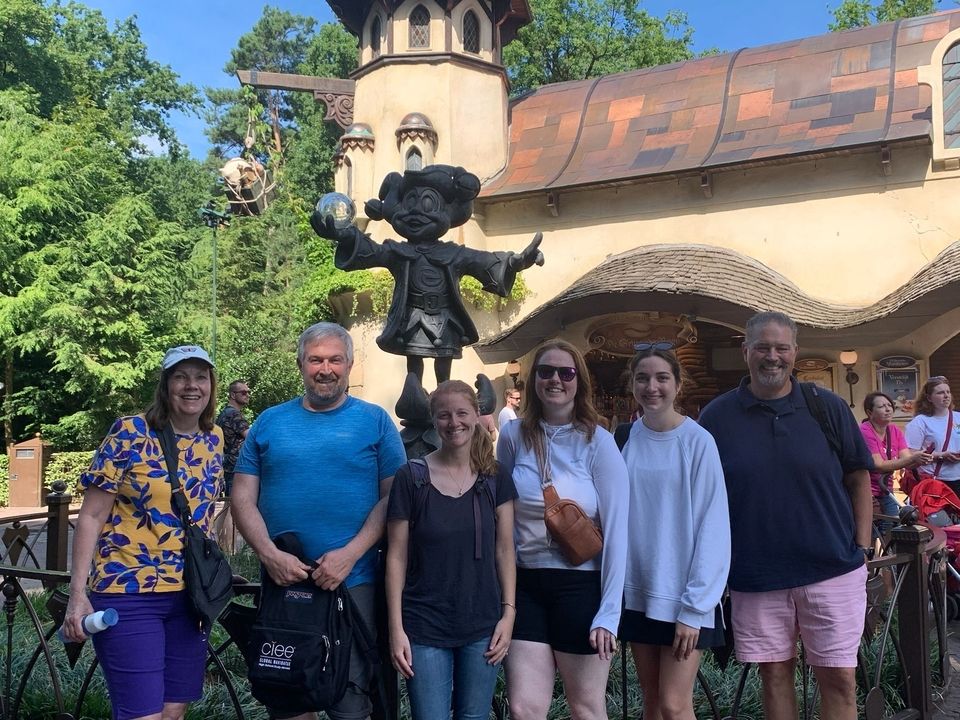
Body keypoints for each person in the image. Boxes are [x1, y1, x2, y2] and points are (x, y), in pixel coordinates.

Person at [698, 311, 872, 720]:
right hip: (756, 575)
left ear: (794, 352)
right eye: (762, 347)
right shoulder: (717, 417)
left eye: (780, 348)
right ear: (746, 352)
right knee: (774, 677)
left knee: (841, 680)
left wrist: (862, 548)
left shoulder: (826, 407)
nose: (771, 356)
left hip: (832, 568)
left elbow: (858, 477)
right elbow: (702, 494)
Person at [232, 322, 406, 720]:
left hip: (353, 581)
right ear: (300, 364)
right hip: (283, 581)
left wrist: (351, 553)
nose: (325, 368)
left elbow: (393, 496)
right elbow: (242, 496)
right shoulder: (269, 422)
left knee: (349, 697)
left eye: (334, 360)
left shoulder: (375, 421)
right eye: (315, 359)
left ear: (348, 365)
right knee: (288, 693)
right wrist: (269, 554)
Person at [63, 345, 224, 720]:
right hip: (129, 592)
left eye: (201, 377)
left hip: (189, 596)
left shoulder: (213, 437)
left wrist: (214, 568)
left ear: (211, 385)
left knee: (173, 712)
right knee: (142, 715)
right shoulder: (130, 432)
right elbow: (92, 515)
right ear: (165, 385)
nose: (191, 386)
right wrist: (77, 594)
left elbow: (201, 513)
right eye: (181, 376)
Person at [496, 339, 628, 720]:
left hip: (580, 586)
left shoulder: (598, 442)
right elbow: (501, 512)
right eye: (546, 371)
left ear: (578, 382)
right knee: (525, 708)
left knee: (585, 707)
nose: (555, 379)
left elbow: (618, 532)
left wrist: (609, 613)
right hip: (526, 586)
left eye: (565, 372)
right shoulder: (512, 436)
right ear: (533, 379)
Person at [386, 380, 517, 720]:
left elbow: (505, 550)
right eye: (443, 415)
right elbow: (397, 557)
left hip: (482, 622)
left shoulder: (495, 477)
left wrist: (509, 613)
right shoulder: (411, 478)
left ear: (476, 415)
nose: (453, 422)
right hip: (425, 625)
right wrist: (396, 628)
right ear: (433, 420)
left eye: (461, 413)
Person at [620, 347, 730, 720]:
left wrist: (695, 608)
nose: (652, 387)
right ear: (632, 384)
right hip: (638, 593)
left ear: (678, 385)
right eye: (643, 378)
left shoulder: (698, 443)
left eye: (662, 378)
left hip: (684, 597)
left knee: (674, 703)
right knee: (651, 700)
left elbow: (713, 526)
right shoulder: (623, 439)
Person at [859, 391, 930, 535]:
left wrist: (922, 458)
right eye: (881, 406)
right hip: (866, 491)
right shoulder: (865, 431)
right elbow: (878, 465)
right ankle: (871, 556)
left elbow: (907, 461)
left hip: (885, 489)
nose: (888, 409)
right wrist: (911, 458)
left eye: (889, 405)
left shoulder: (894, 431)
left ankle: (887, 555)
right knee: (870, 533)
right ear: (869, 412)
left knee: (892, 528)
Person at [905, 376, 960, 495]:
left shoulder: (958, 417)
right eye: (940, 393)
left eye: (948, 392)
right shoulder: (920, 422)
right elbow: (910, 454)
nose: (946, 396)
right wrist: (940, 455)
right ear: (929, 398)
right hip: (936, 480)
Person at [215, 379, 251, 551]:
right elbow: (251, 437)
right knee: (233, 507)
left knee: (228, 505)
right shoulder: (234, 415)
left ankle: (222, 545)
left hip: (227, 465)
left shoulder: (223, 414)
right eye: (243, 392)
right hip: (236, 466)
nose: (247, 395)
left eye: (248, 392)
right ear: (232, 395)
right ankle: (230, 549)